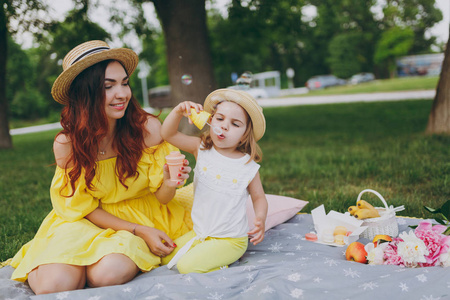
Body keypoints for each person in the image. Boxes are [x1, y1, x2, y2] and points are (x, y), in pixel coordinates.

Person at [8, 40, 194, 294]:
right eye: (108, 86)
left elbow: (162, 198)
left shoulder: (148, 129)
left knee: (108, 274)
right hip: (86, 218)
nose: (122, 94)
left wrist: (169, 183)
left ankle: (86, 270)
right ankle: (59, 266)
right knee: (55, 284)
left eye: (124, 83)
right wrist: (138, 231)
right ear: (85, 93)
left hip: (141, 215)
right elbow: (82, 207)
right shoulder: (68, 144)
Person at [160, 88, 268, 273]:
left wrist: (260, 218)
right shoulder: (200, 149)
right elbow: (168, 134)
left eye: (235, 124)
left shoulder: (247, 166)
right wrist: (178, 111)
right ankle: (210, 255)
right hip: (201, 233)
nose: (224, 126)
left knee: (186, 267)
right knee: (165, 257)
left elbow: (259, 198)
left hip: (230, 240)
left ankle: (225, 261)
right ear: (210, 121)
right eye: (220, 119)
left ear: (244, 134)